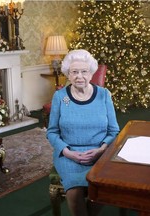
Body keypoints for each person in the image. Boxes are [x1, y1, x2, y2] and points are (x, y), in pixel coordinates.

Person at [47, 49, 120, 216]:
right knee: (75, 191)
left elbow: (114, 130)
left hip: (100, 153)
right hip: (69, 154)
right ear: (68, 74)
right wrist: (67, 152)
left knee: (103, 186)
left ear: (91, 73)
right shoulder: (59, 97)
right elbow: (52, 132)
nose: (79, 76)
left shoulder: (103, 95)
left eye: (84, 71)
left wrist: (101, 150)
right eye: (74, 72)